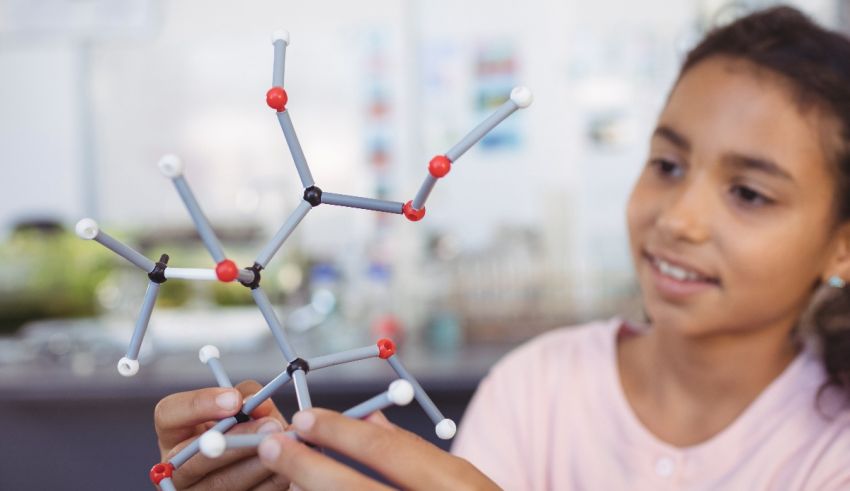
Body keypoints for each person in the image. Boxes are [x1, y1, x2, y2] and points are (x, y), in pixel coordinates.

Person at [152, 6, 850, 489]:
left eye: (750, 193)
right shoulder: (537, 389)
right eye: (667, 164)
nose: (681, 218)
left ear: (841, 247)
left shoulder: (832, 448)